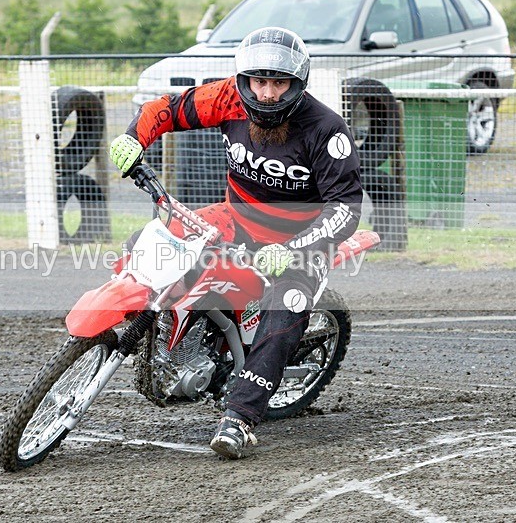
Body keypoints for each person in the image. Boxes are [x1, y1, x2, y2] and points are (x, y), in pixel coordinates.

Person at [109, 27, 363, 459]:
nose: (266, 94)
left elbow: (346, 210)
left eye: (278, 82)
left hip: (300, 240)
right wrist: (135, 137)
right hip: (236, 217)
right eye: (259, 82)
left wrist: (296, 247)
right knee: (146, 242)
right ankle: (158, 333)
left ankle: (240, 418)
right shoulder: (227, 97)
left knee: (288, 306)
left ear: (297, 83)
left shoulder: (326, 129)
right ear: (244, 80)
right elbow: (166, 109)